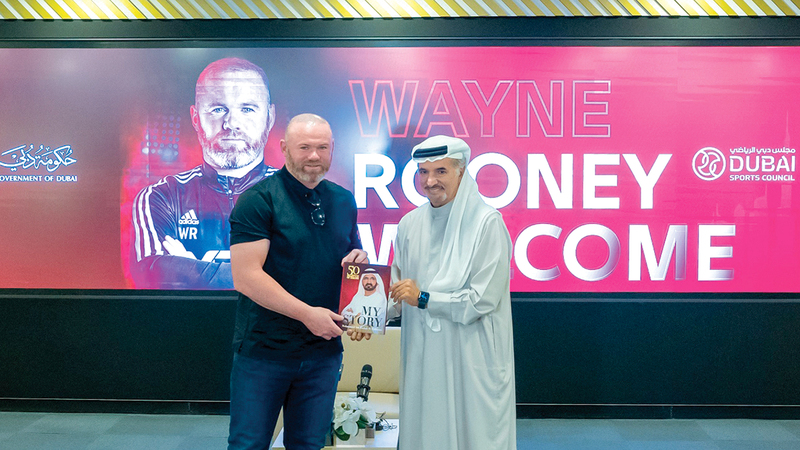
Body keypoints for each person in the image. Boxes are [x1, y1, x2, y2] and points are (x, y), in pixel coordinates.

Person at [227, 113, 368, 450]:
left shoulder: (343, 200)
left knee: (308, 444)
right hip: (265, 352)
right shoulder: (258, 200)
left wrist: (359, 262)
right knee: (248, 445)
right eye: (304, 147)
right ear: (284, 148)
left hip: (323, 352)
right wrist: (307, 314)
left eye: (322, 147)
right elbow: (246, 277)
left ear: (332, 148)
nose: (314, 156)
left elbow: (351, 256)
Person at [389, 135, 517, 450]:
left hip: (471, 359)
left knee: (477, 437)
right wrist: (363, 311)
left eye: (441, 171)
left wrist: (424, 299)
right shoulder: (409, 225)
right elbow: (396, 293)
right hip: (422, 356)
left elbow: (481, 301)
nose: (430, 181)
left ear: (461, 171)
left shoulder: (487, 223)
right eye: (423, 172)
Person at [131, 57, 277, 289]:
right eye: (218, 109)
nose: (231, 123)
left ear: (270, 117)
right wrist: (267, 274)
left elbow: (311, 273)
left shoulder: (298, 195)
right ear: (195, 118)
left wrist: (194, 269)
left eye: (247, 109)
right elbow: (152, 271)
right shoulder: (161, 196)